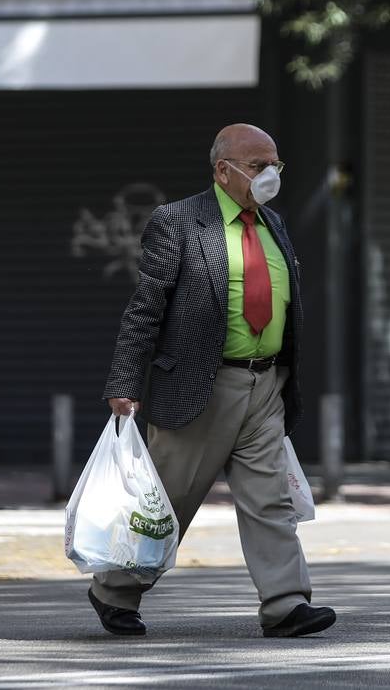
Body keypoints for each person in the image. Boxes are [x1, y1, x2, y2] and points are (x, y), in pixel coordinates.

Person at [87, 123, 336, 638]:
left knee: (270, 499)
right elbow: (146, 307)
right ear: (223, 170)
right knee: (168, 501)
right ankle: (114, 590)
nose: (270, 175)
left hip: (266, 386)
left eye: (275, 165)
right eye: (258, 165)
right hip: (201, 386)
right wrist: (124, 380)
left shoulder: (275, 225)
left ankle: (286, 604)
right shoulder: (178, 222)